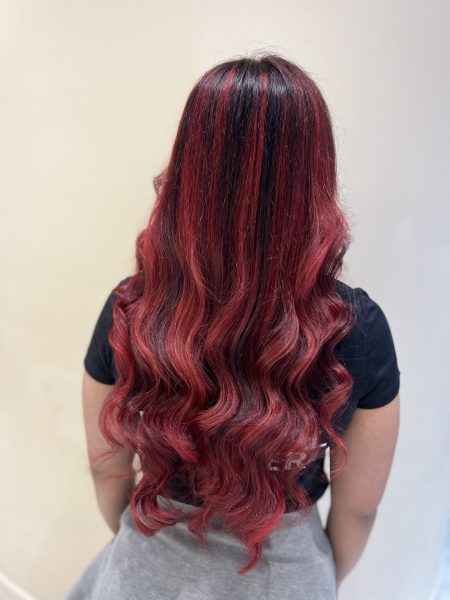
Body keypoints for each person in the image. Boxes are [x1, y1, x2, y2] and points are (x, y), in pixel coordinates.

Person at [65, 52, 401, 600]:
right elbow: (359, 507)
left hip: (148, 562)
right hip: (285, 576)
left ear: (189, 168)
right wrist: (317, 579)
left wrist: (144, 549)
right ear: (314, 176)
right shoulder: (358, 331)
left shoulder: (131, 308)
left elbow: (108, 471)